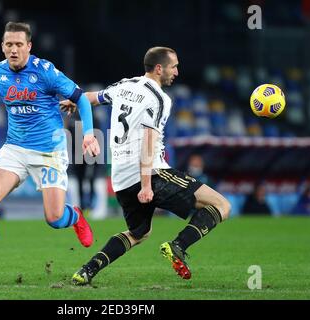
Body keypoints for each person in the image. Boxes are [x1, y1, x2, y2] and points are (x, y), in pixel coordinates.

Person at [0, 22, 100, 289]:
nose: (13, 49)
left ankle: (75, 216)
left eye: (18, 44)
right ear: (3, 47)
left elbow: (81, 98)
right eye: (8, 45)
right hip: (14, 148)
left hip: (49, 151)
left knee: (54, 218)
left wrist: (89, 134)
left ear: (29, 47)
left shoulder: (46, 71)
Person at [61, 47, 231, 285]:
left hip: (121, 178)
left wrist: (73, 100)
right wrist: (147, 185)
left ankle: (87, 270)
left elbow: (92, 97)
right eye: (174, 67)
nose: (177, 72)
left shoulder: (125, 85)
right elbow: (149, 142)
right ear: (159, 68)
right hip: (150, 173)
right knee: (222, 205)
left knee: (139, 233)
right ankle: (178, 246)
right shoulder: (160, 98)